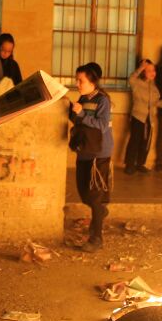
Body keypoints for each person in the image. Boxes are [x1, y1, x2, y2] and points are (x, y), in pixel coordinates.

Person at [69, 63, 113, 251]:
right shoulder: (83, 97)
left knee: (94, 196)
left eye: (81, 80)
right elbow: (78, 120)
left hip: (99, 153)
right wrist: (72, 112)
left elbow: (102, 125)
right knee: (84, 193)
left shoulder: (102, 100)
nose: (78, 84)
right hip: (84, 151)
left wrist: (81, 114)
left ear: (93, 81)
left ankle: (96, 239)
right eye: (77, 80)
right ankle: (101, 211)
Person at [125, 58, 157, 174]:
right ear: (143, 71)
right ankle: (129, 164)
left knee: (145, 141)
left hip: (149, 119)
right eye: (149, 70)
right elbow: (131, 79)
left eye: (153, 70)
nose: (152, 73)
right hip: (138, 117)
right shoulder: (137, 83)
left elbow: (156, 103)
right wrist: (140, 68)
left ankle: (140, 164)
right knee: (135, 140)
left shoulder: (153, 87)